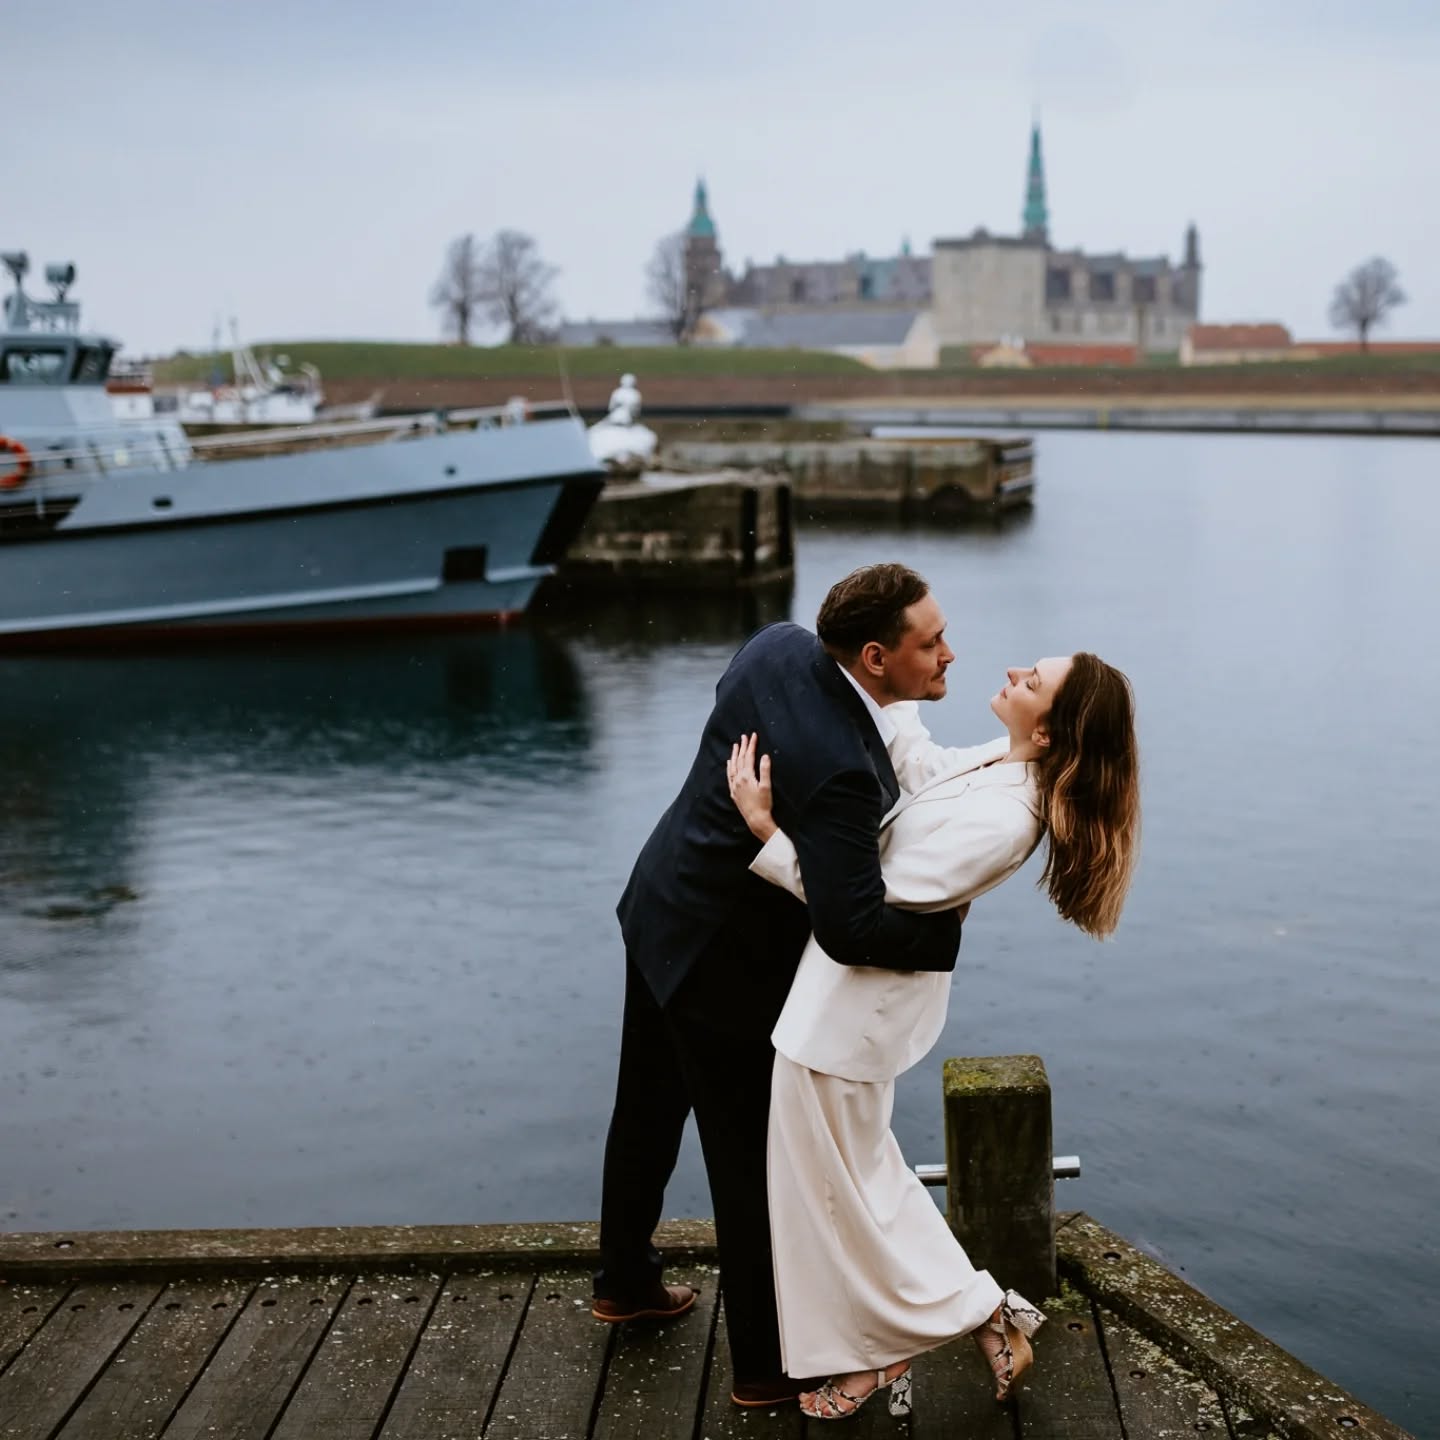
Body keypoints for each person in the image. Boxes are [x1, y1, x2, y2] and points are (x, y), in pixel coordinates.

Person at [725, 652, 1140, 1419]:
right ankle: (976, 1318)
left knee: (828, 1196)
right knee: (864, 1184)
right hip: (837, 1002)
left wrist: (765, 829)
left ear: (1048, 732)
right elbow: (917, 763)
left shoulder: (1007, 819)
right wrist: (891, 676)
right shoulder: (996, 764)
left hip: (855, 1011)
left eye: (1033, 681)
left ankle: (876, 1355)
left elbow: (861, 903)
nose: (1014, 671)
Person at [593, 564, 969, 1407]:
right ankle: (766, 1368)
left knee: (645, 1110)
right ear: (874, 657)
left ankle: (625, 1282)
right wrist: (944, 934)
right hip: (723, 968)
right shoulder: (841, 770)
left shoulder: (775, 647)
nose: (950, 652)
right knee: (751, 1164)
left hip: (661, 902)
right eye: (931, 642)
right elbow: (851, 926)